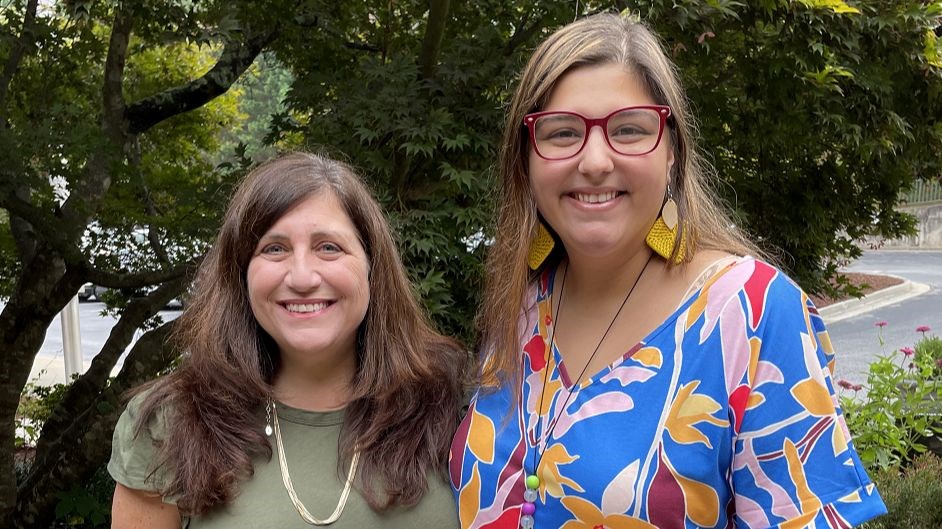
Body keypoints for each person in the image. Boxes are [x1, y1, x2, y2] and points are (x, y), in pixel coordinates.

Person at [449, 13, 887, 529]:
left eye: (629, 130)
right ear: (526, 159)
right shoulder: (519, 306)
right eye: (562, 132)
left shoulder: (752, 313)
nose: (593, 160)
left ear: (673, 151)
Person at [110, 152, 465, 528]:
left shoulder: (456, 403)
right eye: (274, 248)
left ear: (372, 267)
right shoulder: (172, 423)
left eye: (328, 247)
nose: (301, 277)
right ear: (240, 274)